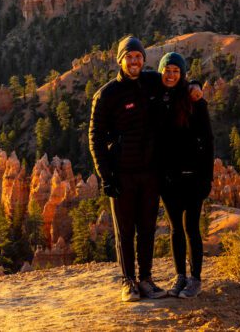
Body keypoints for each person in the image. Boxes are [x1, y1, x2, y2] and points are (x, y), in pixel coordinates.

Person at [89, 35, 202, 302]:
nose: (134, 61)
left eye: (138, 56)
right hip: (122, 173)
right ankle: (128, 282)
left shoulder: (151, 81)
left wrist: (195, 86)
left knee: (148, 228)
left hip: (150, 172)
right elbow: (94, 137)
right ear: (120, 60)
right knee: (125, 231)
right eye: (129, 56)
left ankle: (146, 279)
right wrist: (106, 176)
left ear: (143, 59)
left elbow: (176, 81)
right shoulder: (106, 95)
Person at [156, 52, 214, 298]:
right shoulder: (157, 98)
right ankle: (180, 276)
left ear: (182, 74)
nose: (170, 75)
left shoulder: (195, 101)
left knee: (192, 227)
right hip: (169, 177)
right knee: (175, 229)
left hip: (193, 176)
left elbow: (208, 140)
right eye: (167, 70)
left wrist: (207, 177)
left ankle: (196, 279)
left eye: (175, 71)